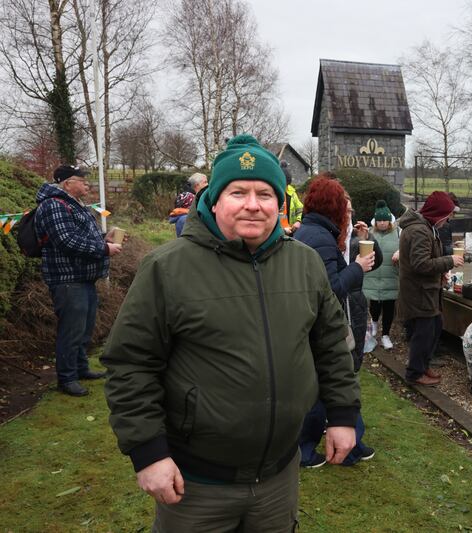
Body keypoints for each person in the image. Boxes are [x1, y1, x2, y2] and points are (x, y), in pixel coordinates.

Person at [102, 135, 359, 531]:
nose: (253, 204)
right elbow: (130, 363)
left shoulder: (305, 264)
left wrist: (342, 414)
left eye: (265, 193)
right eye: (238, 192)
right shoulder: (166, 268)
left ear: (280, 202)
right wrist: (148, 452)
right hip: (196, 482)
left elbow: (330, 347)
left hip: (279, 477)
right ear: (215, 199)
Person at [293, 176, 378, 468]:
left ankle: (353, 442)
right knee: (327, 386)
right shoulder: (319, 238)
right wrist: (358, 267)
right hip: (324, 326)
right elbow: (329, 288)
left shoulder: (314, 232)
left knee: (333, 384)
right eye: (346, 207)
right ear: (333, 206)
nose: (348, 213)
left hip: (318, 323)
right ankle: (307, 448)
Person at [35, 165, 123, 397]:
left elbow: (82, 238)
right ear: (67, 183)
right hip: (66, 279)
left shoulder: (75, 205)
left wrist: (105, 238)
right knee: (71, 331)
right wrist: (104, 249)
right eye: (82, 181)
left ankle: (81, 368)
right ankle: (67, 378)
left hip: (83, 278)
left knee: (84, 329)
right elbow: (67, 241)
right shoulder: (53, 205)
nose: (87, 184)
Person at [398, 191, 464, 385]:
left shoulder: (426, 227)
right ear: (438, 214)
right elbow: (420, 264)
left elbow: (424, 261)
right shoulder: (419, 231)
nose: (448, 220)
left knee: (434, 329)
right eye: (447, 215)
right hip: (419, 292)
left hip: (426, 290)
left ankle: (423, 366)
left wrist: (440, 272)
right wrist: (448, 261)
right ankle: (414, 374)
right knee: (424, 335)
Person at [364, 200, 401, 350]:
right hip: (372, 275)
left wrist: (400, 252)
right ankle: (373, 323)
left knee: (389, 306)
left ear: (389, 220)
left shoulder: (399, 233)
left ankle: (385, 334)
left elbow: (407, 247)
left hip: (390, 275)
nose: (382, 223)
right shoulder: (369, 233)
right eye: (379, 220)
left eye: (385, 220)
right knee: (374, 303)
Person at [279, 160, 303, 235]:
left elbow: (301, 209)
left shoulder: (292, 193)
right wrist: (282, 230)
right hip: (278, 234)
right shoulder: (273, 195)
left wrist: (298, 221)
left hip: (292, 232)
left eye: (287, 184)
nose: (285, 186)